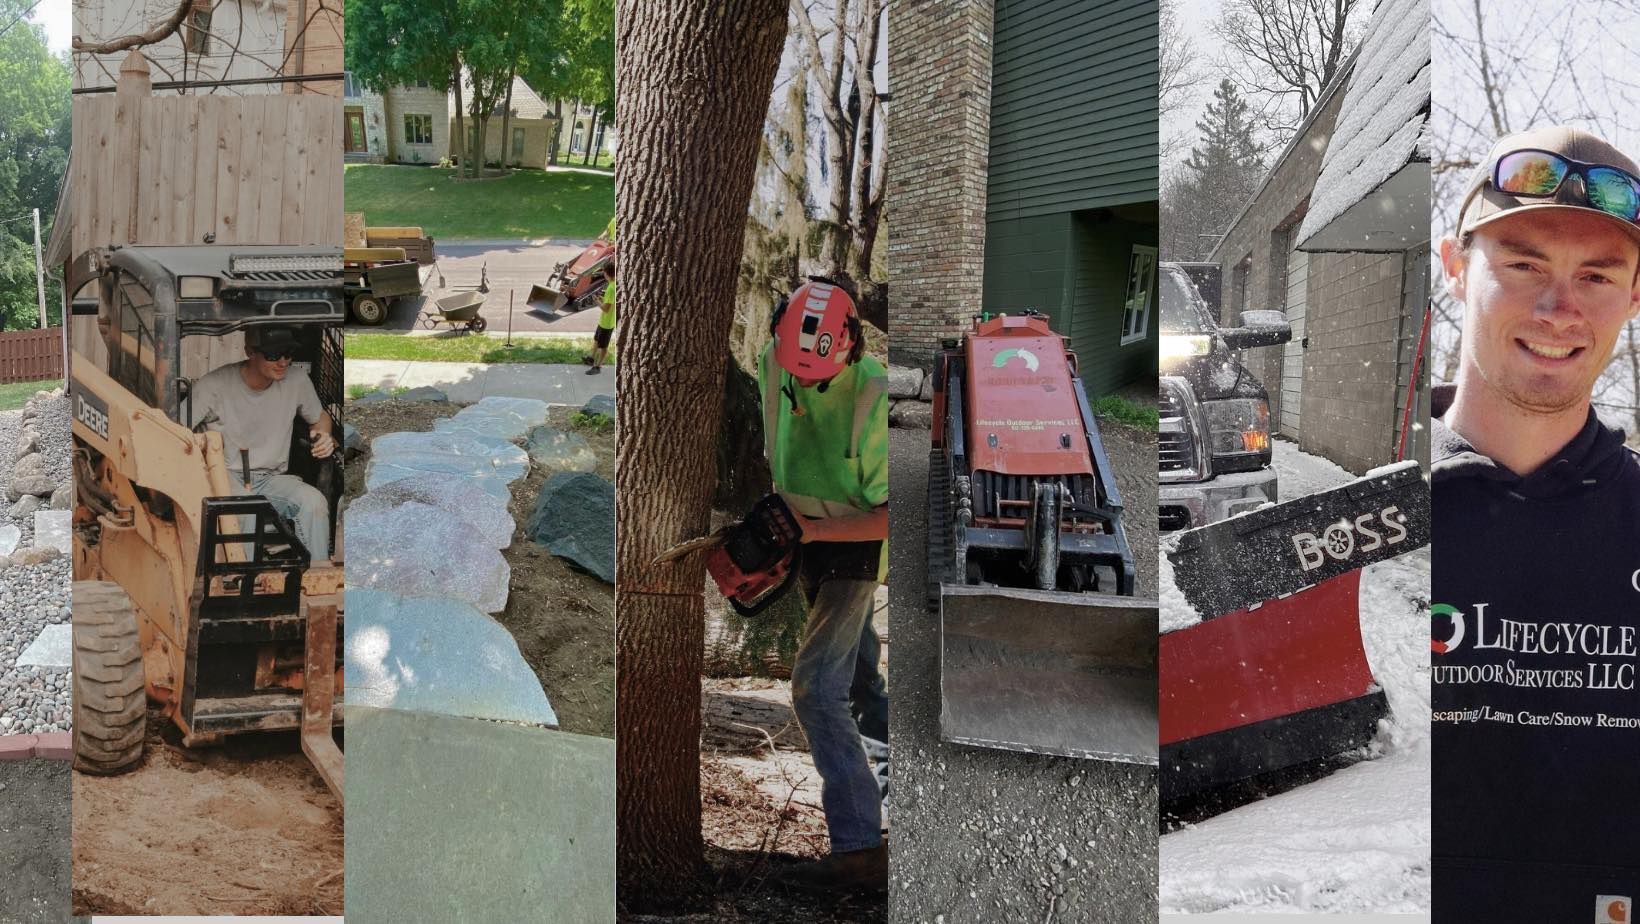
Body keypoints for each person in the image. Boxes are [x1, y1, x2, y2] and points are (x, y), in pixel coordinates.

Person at [1432, 125, 1640, 921]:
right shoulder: (1369, 529)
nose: (1560, 310)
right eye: (1524, 265)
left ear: (1634, 295)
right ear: (1456, 268)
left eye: (1597, 274)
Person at [758, 278, 890, 891]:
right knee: (859, 681)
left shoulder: (874, 395)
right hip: (802, 532)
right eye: (796, 373)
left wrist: (815, 531)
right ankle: (894, 802)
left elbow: (890, 514)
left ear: (851, 346)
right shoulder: (777, 357)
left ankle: (859, 847)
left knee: (815, 689)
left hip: (856, 544)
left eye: (818, 376)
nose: (802, 383)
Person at [191, 326, 336, 560]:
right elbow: (173, 431)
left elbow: (320, 417)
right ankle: (242, 579)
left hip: (270, 478)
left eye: (288, 353)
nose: (283, 362)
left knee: (314, 502)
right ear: (250, 352)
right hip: (224, 476)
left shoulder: (296, 380)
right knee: (247, 509)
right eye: (273, 354)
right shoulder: (213, 386)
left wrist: (323, 435)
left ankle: (317, 576)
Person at [585, 215, 616, 375]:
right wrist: (602, 237)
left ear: (606, 274)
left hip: (607, 322)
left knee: (603, 346)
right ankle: (591, 358)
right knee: (597, 340)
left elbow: (606, 308)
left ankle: (597, 366)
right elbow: (608, 230)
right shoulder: (613, 219)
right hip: (604, 321)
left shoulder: (611, 288)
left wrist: (596, 300)